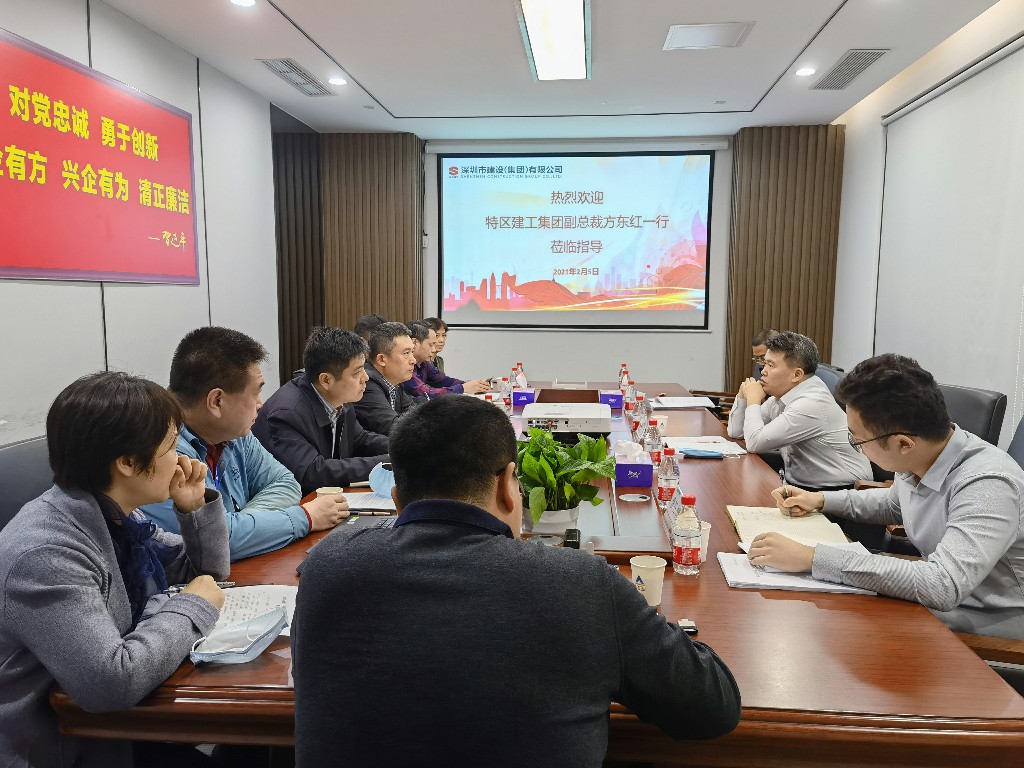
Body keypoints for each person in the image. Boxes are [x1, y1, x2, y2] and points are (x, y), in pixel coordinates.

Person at [293, 396, 742, 767]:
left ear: (396, 499)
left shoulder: (328, 564)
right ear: (510, 485)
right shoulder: (580, 584)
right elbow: (712, 708)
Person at [0, 372, 229, 768]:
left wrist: (193, 508)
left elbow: (207, 573)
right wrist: (192, 606)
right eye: (172, 445)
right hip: (60, 749)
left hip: (111, 732)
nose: (183, 460)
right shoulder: (46, 553)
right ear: (127, 462)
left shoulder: (115, 515)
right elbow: (110, 682)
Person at [749, 353, 1024, 640]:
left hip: (991, 621)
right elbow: (893, 504)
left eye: (857, 440)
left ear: (903, 443)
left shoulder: (988, 484)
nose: (856, 446)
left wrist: (812, 558)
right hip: (942, 600)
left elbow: (942, 585)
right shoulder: (922, 454)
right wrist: (820, 500)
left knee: (825, 628)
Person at [141, 327, 349, 561]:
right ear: (216, 401)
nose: (261, 403)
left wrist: (241, 525)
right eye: (255, 393)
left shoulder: (234, 434)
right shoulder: (163, 450)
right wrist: (305, 518)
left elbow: (286, 483)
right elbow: (215, 543)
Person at [727, 331, 871, 490]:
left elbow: (754, 443)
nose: (763, 371)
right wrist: (742, 396)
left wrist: (753, 401)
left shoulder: (810, 403)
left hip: (842, 490)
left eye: (771, 365)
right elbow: (736, 432)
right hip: (801, 485)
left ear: (797, 374)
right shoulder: (782, 396)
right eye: (764, 363)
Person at [253, 327, 389, 495]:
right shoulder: (286, 413)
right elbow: (312, 473)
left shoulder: (339, 399)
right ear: (326, 380)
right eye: (357, 372)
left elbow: (359, 439)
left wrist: (401, 448)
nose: (366, 377)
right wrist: (387, 462)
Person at [352, 321, 422, 435]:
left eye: (412, 352)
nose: (413, 360)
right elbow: (394, 428)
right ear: (381, 359)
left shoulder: (394, 382)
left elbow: (415, 415)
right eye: (406, 353)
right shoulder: (367, 383)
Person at [401, 320, 490, 398]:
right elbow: (427, 394)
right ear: (414, 342)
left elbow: (444, 381)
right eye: (430, 345)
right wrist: (463, 388)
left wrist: (474, 385)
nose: (434, 350)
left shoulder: (424, 363)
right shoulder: (405, 366)